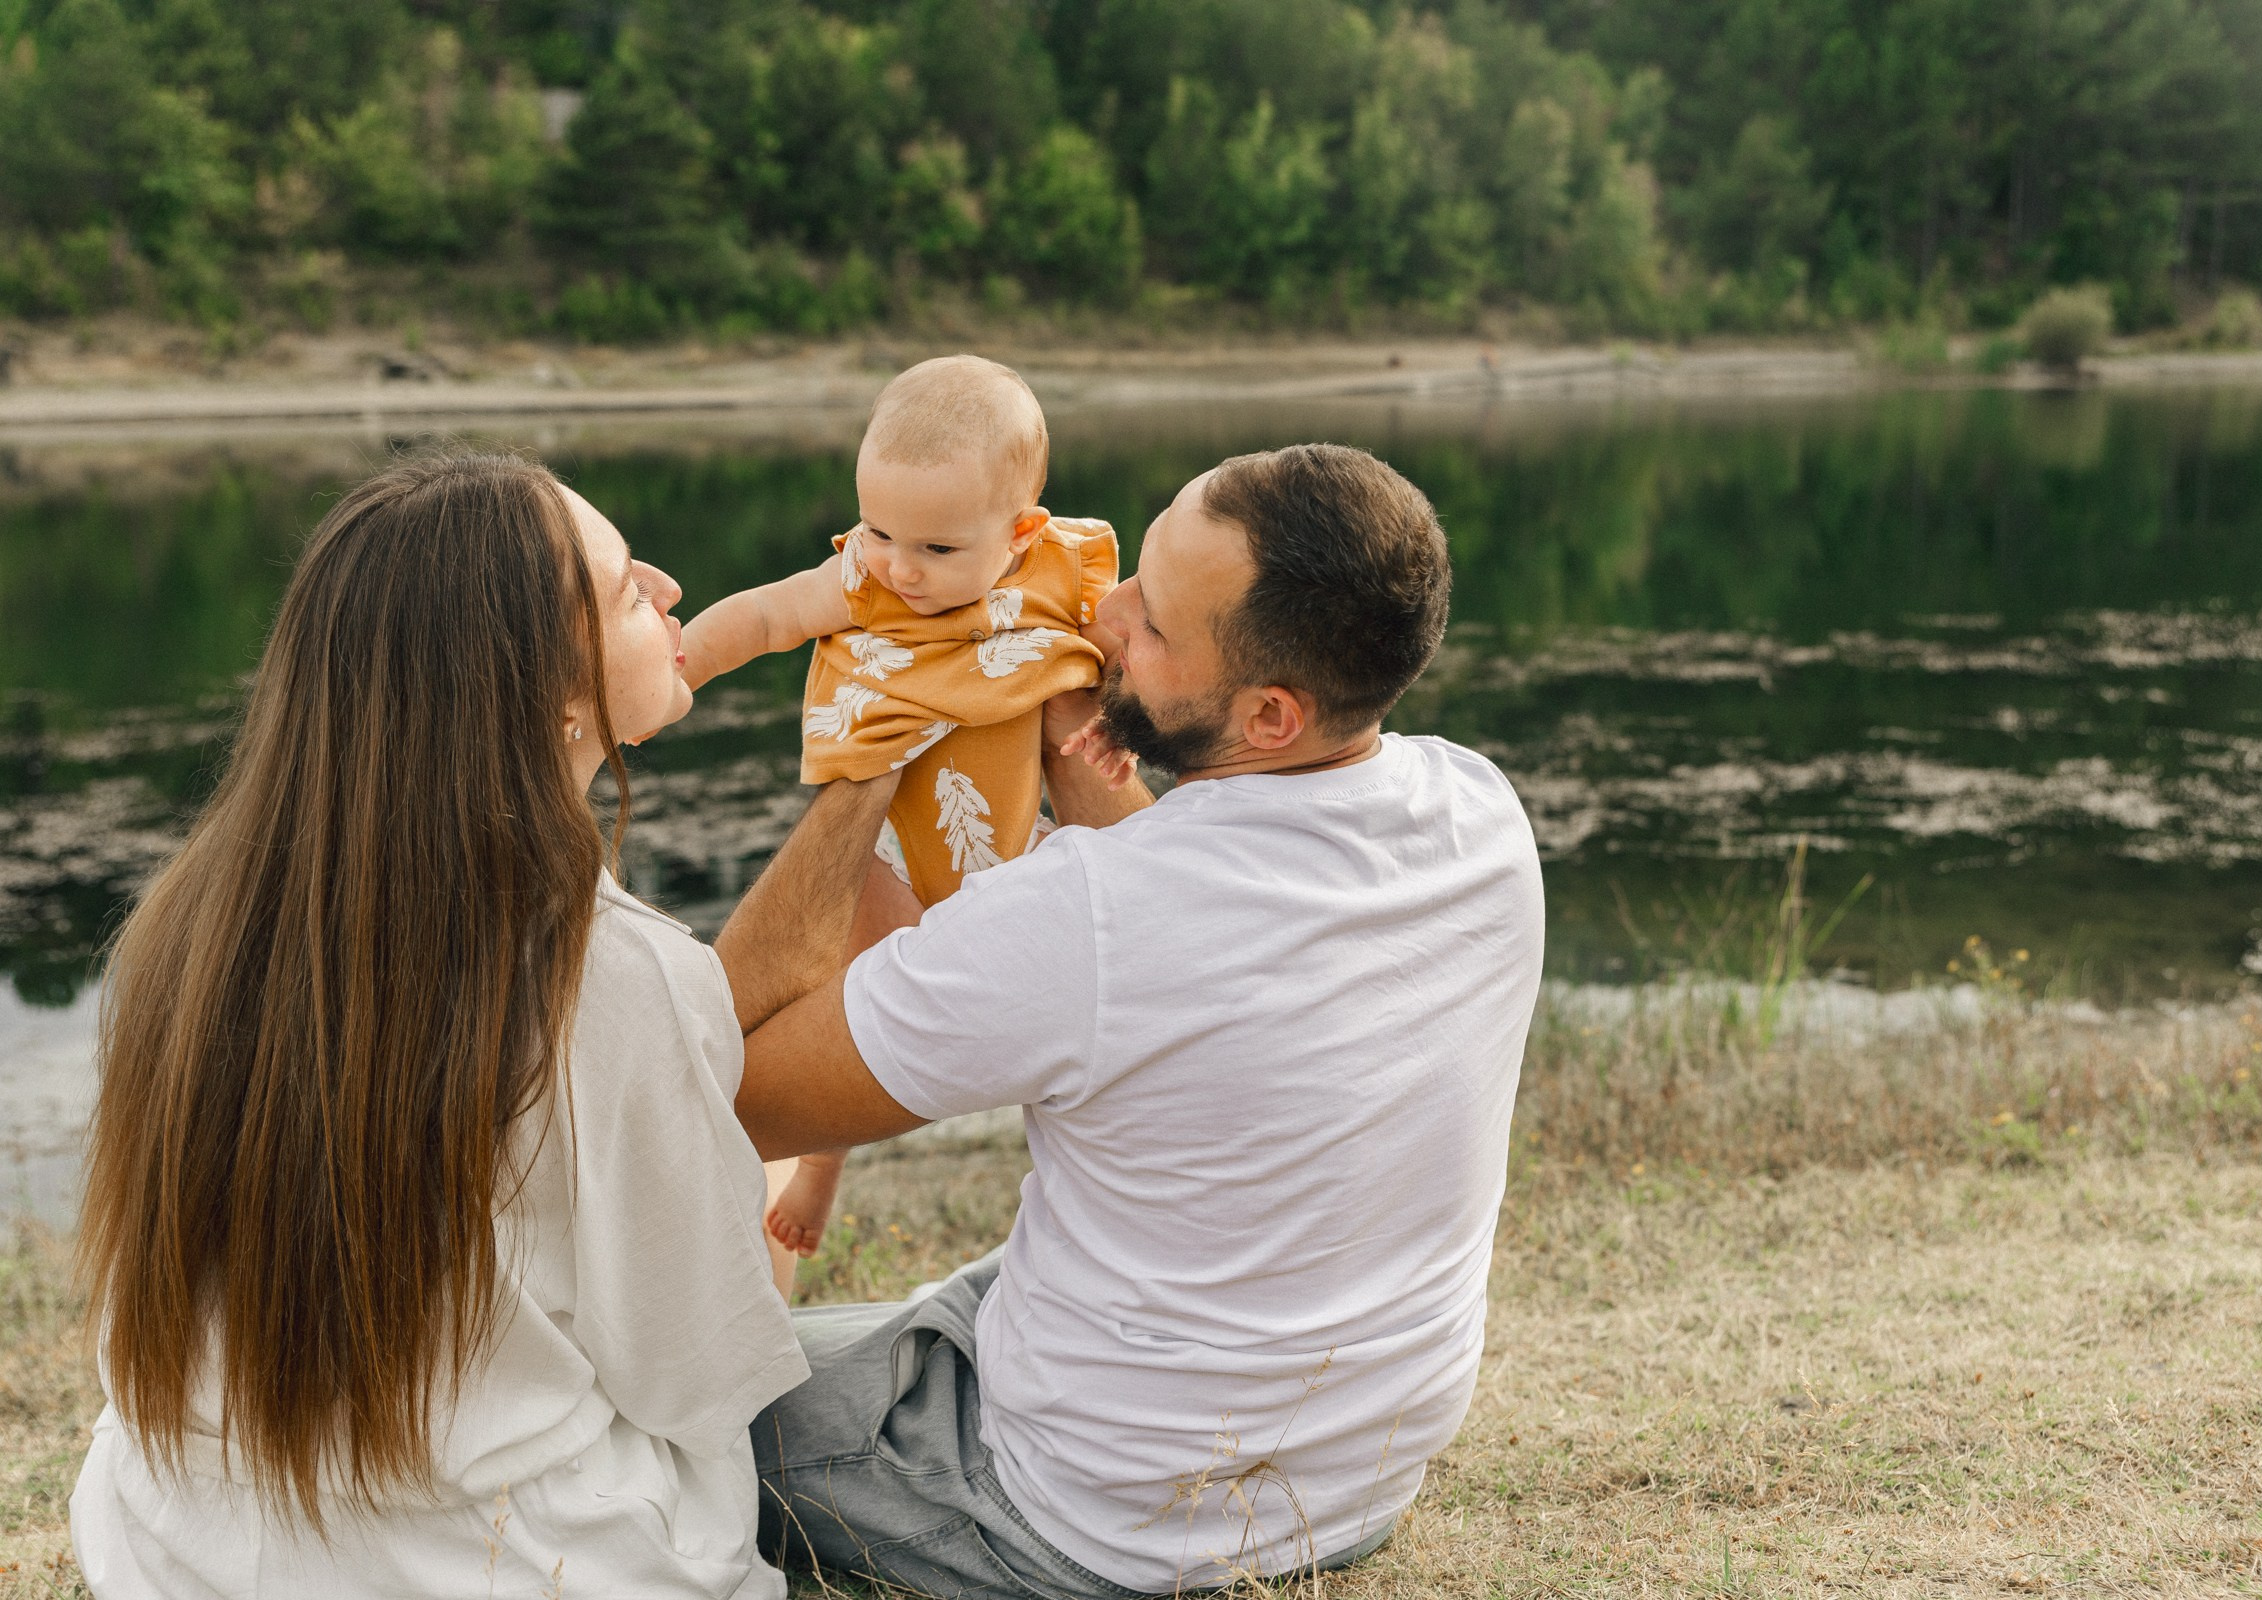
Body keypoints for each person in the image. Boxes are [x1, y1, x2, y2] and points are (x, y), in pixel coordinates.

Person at [718, 443, 1546, 1597]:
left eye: (1151, 623)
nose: (1101, 614)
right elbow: (1186, 915)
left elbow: (723, 1099)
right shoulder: (1479, 812)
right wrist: (1071, 724)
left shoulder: (1092, 917)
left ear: (1267, 712)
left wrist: (875, 743)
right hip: (1345, 1481)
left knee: (664, 1405)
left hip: (1086, 1514)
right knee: (892, 1321)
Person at [68, 451, 830, 1598]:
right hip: (491, 1566)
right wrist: (797, 1161)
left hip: (185, 1547)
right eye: (627, 588)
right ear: (550, 689)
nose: (672, 588)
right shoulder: (614, 973)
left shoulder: (188, 922)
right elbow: (707, 1375)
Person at [680, 354, 1123, 1271]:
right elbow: (765, 618)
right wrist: (683, 665)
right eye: (881, 530)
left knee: (1083, 985)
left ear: (1021, 529)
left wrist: (1117, 718)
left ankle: (1087, 1178)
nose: (902, 568)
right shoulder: (862, 578)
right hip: (882, 846)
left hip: (1011, 847)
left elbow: (1120, 656)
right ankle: (819, 1166)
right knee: (842, 1000)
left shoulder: (1060, 573)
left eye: (937, 549)